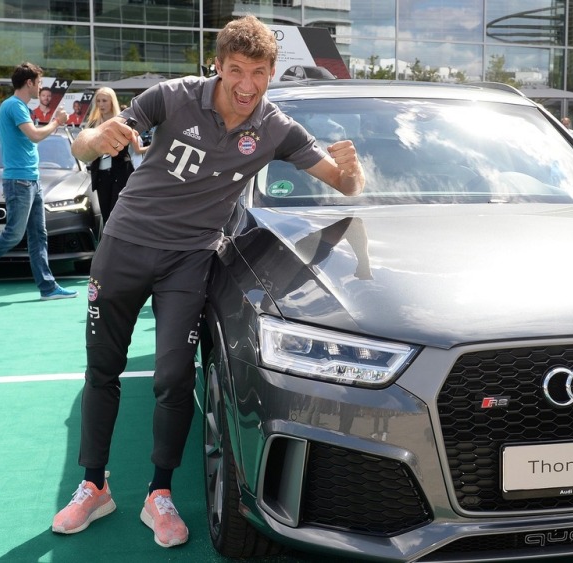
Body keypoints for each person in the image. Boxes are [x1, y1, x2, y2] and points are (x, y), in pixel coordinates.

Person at [51, 15, 365, 548]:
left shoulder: (276, 127)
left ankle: (159, 493)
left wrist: (352, 169)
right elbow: (83, 148)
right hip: (123, 248)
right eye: (236, 69)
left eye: (259, 72)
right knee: (102, 369)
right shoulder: (172, 97)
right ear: (217, 66)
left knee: (174, 378)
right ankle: (93, 485)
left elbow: (344, 185)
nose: (247, 84)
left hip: (189, 260)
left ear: (271, 73)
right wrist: (93, 138)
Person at [0, 62, 77, 303]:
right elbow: (35, 135)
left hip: (30, 179)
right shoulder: (14, 106)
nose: (40, 88)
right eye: (39, 83)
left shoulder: (18, 107)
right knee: (13, 234)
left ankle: (47, 287)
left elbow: (31, 137)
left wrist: (53, 122)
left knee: (38, 235)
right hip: (20, 181)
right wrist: (57, 122)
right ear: (29, 82)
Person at [84, 87, 145, 226]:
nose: (101, 104)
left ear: (112, 102)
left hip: (121, 171)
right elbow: (88, 150)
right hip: (101, 174)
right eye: (98, 101)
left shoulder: (122, 121)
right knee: (106, 214)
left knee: (118, 214)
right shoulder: (93, 124)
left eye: (104, 101)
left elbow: (136, 147)